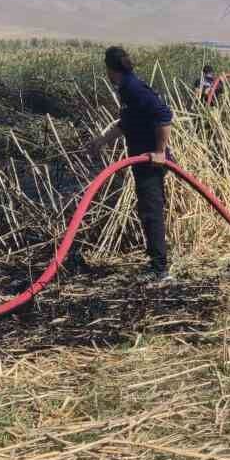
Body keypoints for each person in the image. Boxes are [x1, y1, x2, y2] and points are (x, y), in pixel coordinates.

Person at [83, 46, 176, 284]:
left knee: (151, 212)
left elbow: (164, 116)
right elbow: (127, 124)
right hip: (142, 159)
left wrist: (159, 151)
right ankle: (157, 262)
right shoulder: (126, 89)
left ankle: (159, 270)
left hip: (151, 162)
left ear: (110, 69)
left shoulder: (134, 88)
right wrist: (101, 141)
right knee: (149, 211)